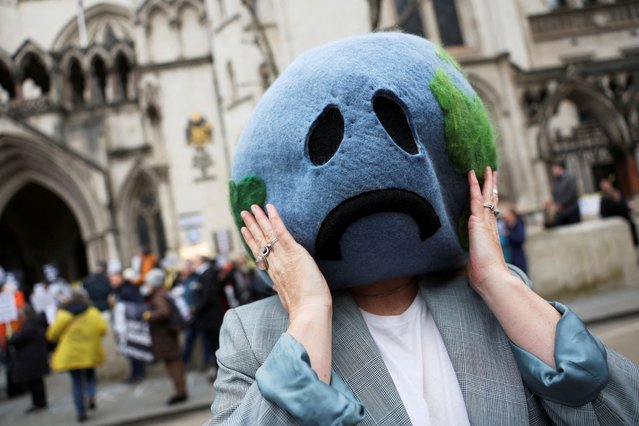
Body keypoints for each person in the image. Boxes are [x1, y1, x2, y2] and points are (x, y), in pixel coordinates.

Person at [209, 34, 638, 424]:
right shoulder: (254, 337)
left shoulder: (495, 303)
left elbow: (620, 411)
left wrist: (497, 281)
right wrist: (308, 316)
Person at [46, 289, 107, 423]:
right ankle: (90, 394)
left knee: (76, 382)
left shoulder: (63, 314)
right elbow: (103, 328)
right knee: (90, 375)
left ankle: (81, 412)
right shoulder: (92, 312)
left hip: (70, 354)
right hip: (89, 351)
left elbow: (52, 335)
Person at [141, 268, 188, 404]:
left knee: (173, 364)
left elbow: (164, 312)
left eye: (148, 282)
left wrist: (149, 315)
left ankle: (180, 393)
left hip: (165, 335)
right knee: (174, 363)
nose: (147, 285)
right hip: (168, 334)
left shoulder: (159, 296)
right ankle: (180, 391)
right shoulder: (163, 293)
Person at [107, 262, 147, 383]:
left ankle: (138, 374)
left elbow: (135, 306)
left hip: (132, 324)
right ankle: (135, 374)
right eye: (111, 280)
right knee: (130, 351)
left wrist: (117, 303)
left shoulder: (128, 289)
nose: (113, 282)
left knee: (135, 351)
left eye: (115, 279)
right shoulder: (118, 290)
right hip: (124, 324)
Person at [7, 306, 49, 413]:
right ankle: (40, 402)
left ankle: (39, 403)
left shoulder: (30, 326)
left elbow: (15, 339)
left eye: (20, 316)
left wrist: (11, 335)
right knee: (37, 382)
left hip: (31, 359)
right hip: (34, 357)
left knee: (35, 383)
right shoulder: (35, 323)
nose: (19, 318)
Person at [192, 255, 225, 382]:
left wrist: (196, 308)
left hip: (210, 316)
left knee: (215, 345)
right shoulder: (207, 274)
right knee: (213, 345)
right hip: (210, 316)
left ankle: (219, 371)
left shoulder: (207, 275)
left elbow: (207, 296)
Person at [599, 177, 638, 245]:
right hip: (616, 222)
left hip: (626, 219)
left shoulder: (617, 192)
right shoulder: (604, 199)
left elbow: (623, 204)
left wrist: (628, 206)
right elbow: (604, 213)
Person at [549, 160, 581, 226]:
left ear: (559, 167)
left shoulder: (570, 178)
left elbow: (572, 194)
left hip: (571, 211)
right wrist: (555, 204)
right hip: (561, 212)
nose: (552, 171)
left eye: (554, 168)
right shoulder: (556, 181)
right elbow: (555, 194)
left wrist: (561, 204)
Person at [499, 203, 528, 273]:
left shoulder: (518, 224)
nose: (505, 218)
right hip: (509, 257)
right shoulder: (506, 225)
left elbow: (520, 238)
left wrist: (508, 234)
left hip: (518, 257)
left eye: (507, 215)